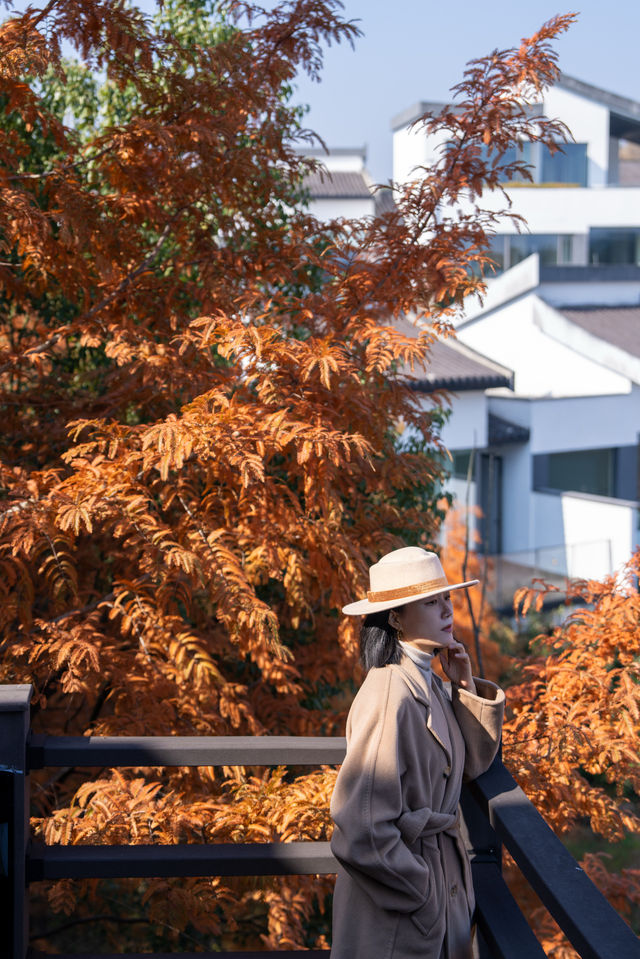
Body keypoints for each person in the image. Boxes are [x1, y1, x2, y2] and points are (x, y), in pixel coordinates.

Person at [330, 546, 505, 959]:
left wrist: (463, 688)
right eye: (431, 602)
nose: (447, 611)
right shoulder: (391, 692)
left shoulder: (426, 682)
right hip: (398, 918)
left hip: (435, 897)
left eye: (447, 598)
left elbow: (470, 766)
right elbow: (362, 827)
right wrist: (421, 891)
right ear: (395, 618)